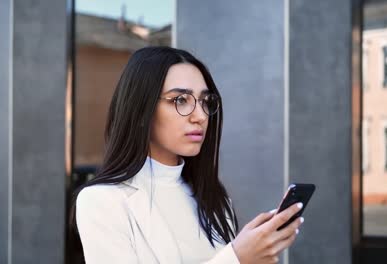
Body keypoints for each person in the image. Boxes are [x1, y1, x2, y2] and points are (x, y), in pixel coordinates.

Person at [74, 46, 304, 264]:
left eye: (205, 101)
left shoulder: (215, 200)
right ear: (142, 110)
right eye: (180, 100)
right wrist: (236, 257)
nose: (201, 116)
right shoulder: (102, 201)